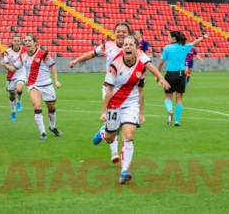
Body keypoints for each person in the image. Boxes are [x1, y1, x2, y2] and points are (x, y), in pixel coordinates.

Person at [69, 22, 168, 164]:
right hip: (110, 89)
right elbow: (92, 53)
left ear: (129, 34)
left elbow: (148, 64)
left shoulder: (134, 49)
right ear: (114, 32)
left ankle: (104, 133)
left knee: (122, 124)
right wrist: (76, 60)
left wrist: (161, 77)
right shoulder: (107, 45)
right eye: (118, 31)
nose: (121, 33)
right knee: (117, 122)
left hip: (128, 93)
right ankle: (114, 152)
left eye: (124, 31)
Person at [101, 36, 169, 184]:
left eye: (131, 44)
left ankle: (124, 171)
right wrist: (103, 112)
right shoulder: (114, 66)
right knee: (110, 138)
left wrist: (142, 113)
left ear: (136, 48)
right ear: (123, 48)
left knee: (128, 134)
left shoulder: (141, 67)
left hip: (131, 104)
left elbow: (141, 91)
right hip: (114, 103)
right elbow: (109, 91)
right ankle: (103, 132)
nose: (128, 47)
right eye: (125, 45)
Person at [0, 34, 63, 139]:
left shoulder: (43, 54)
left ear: (35, 42)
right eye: (26, 41)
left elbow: (53, 65)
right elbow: (13, 68)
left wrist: (56, 80)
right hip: (33, 85)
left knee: (52, 108)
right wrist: (5, 65)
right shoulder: (23, 56)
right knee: (37, 106)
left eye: (29, 40)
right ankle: (42, 132)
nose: (27, 42)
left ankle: (52, 127)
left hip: (47, 84)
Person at [157, 31, 209, 126]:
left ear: (174, 38)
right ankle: (177, 121)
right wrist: (203, 37)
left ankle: (170, 110)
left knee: (168, 97)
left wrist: (157, 74)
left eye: (169, 37)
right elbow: (195, 42)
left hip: (170, 74)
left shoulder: (167, 48)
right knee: (179, 99)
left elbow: (161, 63)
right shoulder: (185, 47)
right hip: (181, 74)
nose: (167, 39)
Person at [0, 35, 27, 121]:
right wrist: (7, 64)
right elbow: (6, 64)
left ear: (20, 42)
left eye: (18, 41)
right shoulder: (8, 51)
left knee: (19, 89)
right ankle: (13, 111)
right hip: (11, 74)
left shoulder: (24, 50)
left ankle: (19, 101)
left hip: (21, 73)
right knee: (12, 95)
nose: (16, 42)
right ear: (12, 42)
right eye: (14, 41)